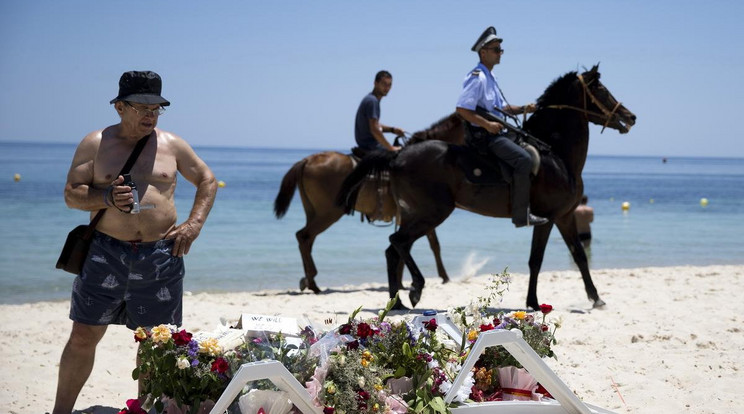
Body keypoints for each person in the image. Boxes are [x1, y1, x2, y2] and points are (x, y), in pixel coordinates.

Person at [53, 70, 217, 413]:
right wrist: (106, 198)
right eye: (142, 107)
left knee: (154, 344)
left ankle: (143, 409)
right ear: (119, 107)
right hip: (105, 251)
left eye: (156, 108)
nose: (150, 115)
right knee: (84, 336)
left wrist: (193, 225)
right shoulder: (95, 143)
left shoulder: (172, 144)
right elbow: (72, 194)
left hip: (161, 256)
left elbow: (207, 179)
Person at [455, 27, 548, 228]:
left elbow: (502, 108)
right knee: (523, 160)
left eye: (500, 49)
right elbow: (462, 109)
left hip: (496, 132)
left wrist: (525, 108)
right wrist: (487, 125)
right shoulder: (477, 77)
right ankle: (521, 215)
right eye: (496, 49)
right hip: (484, 136)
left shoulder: (491, 77)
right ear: (483, 52)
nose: (500, 53)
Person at [354, 70, 405, 153]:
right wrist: (390, 148)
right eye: (384, 84)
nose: (387, 88)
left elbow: (375, 124)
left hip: (366, 144)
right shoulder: (372, 101)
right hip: (371, 146)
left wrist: (392, 130)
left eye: (389, 85)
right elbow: (374, 129)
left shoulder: (370, 99)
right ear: (375, 83)